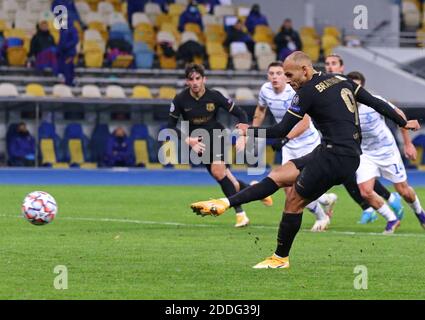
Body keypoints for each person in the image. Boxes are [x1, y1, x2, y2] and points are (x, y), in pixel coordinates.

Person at [191, 51, 419, 269]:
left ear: (305, 70)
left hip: (335, 156)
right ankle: (225, 203)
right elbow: (375, 102)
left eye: (289, 75)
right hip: (337, 152)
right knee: (279, 175)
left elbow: (281, 130)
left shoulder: (306, 93)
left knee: (294, 202)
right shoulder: (340, 79)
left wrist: (249, 131)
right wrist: (402, 121)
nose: (287, 80)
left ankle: (280, 257)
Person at [168, 63, 273, 228]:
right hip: (200, 143)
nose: (195, 82)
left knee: (218, 172)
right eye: (191, 79)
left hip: (217, 136)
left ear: (204, 79)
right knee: (228, 180)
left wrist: (243, 135)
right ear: (186, 81)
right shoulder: (180, 99)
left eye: (198, 78)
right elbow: (170, 125)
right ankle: (258, 190)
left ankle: (241, 215)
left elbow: (241, 113)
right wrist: (188, 140)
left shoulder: (214, 96)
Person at [252, 61, 337, 232]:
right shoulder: (265, 90)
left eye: (279, 73)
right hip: (289, 144)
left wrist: (285, 138)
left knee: (304, 185)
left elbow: (305, 122)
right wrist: (253, 132)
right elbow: (260, 111)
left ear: (285, 75)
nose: (275, 77)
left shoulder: (294, 91)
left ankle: (324, 203)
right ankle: (323, 211)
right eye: (271, 74)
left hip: (307, 142)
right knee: (289, 188)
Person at [324, 53, 404, 224]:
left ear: (341, 67)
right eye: (327, 64)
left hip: (363, 141)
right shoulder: (326, 86)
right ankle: (378, 204)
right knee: (348, 175)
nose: (330, 67)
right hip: (347, 138)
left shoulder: (348, 84)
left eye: (334, 63)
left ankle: (384, 202)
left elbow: (373, 102)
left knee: (351, 175)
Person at [347, 71, 425, 233]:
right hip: (365, 154)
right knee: (365, 192)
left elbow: (400, 115)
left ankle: (420, 213)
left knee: (404, 191)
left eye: (357, 86)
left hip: (387, 151)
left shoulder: (374, 102)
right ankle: (392, 219)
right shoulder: (342, 108)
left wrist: (408, 143)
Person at [57, 18, 79, 86]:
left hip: (70, 52)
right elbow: (60, 41)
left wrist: (66, 46)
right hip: (62, 52)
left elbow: (75, 40)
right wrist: (59, 48)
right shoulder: (62, 30)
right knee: (63, 67)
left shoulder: (73, 29)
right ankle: (65, 83)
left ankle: (69, 83)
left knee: (68, 67)